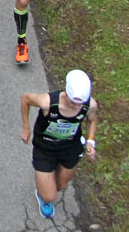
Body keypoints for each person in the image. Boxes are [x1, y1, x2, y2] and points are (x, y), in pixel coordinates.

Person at [21, 69, 98, 219]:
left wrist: (90, 140)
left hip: (70, 147)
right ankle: (42, 188)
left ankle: (49, 176)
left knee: (61, 186)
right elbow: (26, 99)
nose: (77, 107)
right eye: (73, 102)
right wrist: (26, 127)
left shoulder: (89, 105)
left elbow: (93, 120)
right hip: (45, 148)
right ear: (66, 93)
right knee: (49, 196)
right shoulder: (48, 103)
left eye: (80, 103)